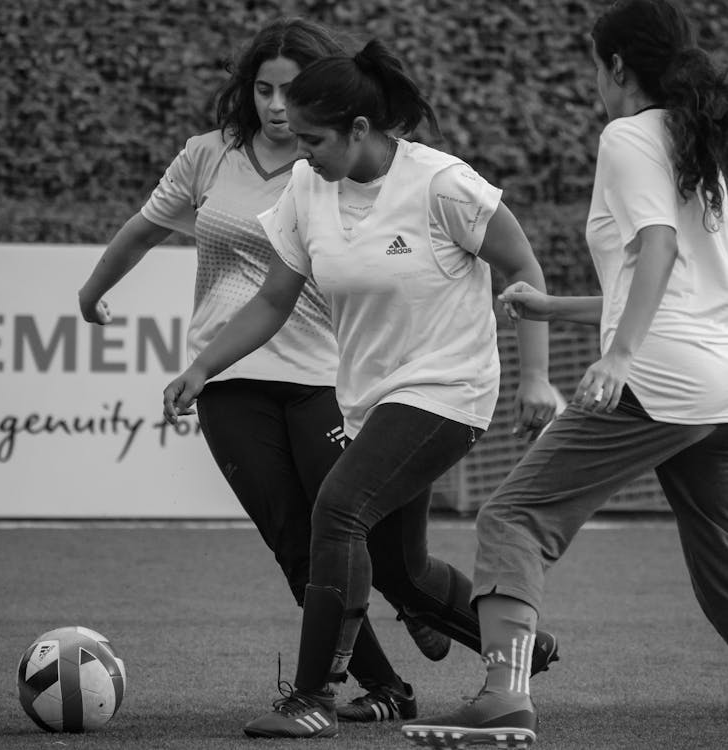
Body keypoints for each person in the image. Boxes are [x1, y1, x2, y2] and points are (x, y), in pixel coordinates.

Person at [162, 38, 561, 740]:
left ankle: (314, 696)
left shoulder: (443, 183)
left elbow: (523, 267)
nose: (300, 147)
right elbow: (273, 298)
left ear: (361, 130)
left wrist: (535, 376)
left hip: (450, 392)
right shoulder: (309, 189)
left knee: (337, 510)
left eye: (314, 136)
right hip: (372, 402)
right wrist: (204, 366)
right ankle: (521, 648)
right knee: (402, 574)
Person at [77, 17, 441, 724]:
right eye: (263, 90)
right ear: (246, 89)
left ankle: (417, 601)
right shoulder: (206, 157)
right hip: (230, 380)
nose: (276, 107)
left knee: (350, 528)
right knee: (296, 543)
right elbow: (146, 226)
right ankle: (384, 688)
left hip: (325, 374)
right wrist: (93, 291)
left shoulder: (337, 161)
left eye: (290, 93)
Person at [402, 0, 728, 747]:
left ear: (615, 67)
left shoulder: (628, 134)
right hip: (714, 383)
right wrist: (555, 308)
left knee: (514, 515)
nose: (593, 85)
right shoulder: (700, 140)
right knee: (721, 559)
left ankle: (504, 696)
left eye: (593, 67)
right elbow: (686, 281)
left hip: (657, 379)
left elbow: (657, 249)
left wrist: (617, 357)